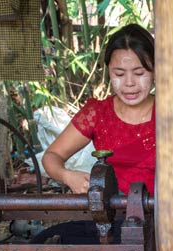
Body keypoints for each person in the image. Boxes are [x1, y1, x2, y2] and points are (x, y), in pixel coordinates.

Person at [43, 23, 156, 195]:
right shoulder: (97, 114)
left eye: (139, 73)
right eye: (119, 74)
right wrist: (68, 176)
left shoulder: (169, 112)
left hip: (162, 216)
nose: (129, 83)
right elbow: (51, 156)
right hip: (108, 214)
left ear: (155, 70)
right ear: (108, 71)